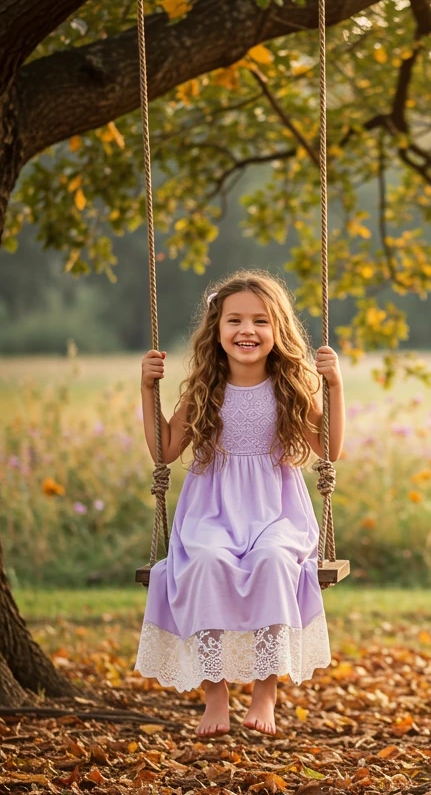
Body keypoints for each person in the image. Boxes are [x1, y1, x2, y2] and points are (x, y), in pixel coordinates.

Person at [134, 270, 344, 737]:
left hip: (276, 512)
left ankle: (265, 693)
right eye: (235, 320)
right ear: (217, 328)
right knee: (205, 562)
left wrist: (335, 389)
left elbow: (329, 448)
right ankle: (216, 693)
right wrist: (148, 390)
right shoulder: (204, 389)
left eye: (260, 321)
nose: (247, 330)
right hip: (211, 511)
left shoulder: (290, 388)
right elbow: (166, 450)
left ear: (278, 331)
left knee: (272, 562)